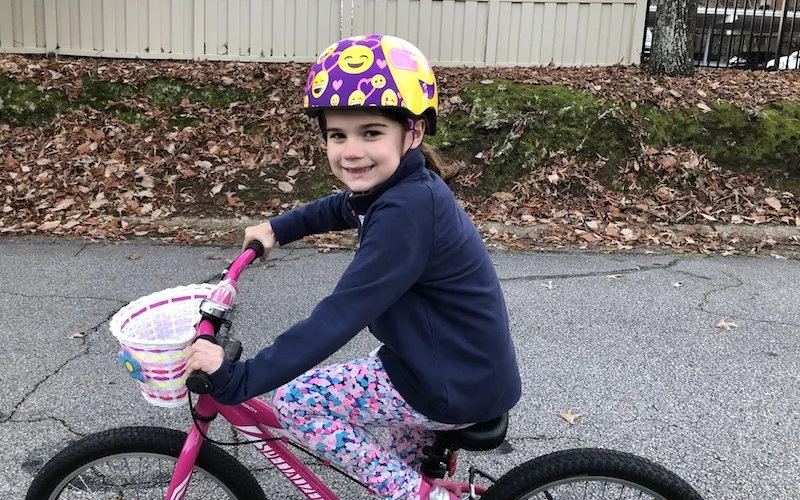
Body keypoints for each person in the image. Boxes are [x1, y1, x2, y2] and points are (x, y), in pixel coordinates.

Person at [186, 34, 522, 500]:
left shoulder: (406, 213)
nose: (351, 151)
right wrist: (278, 228)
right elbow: (345, 206)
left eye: (371, 132)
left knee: (296, 401)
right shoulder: (401, 186)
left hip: (445, 380)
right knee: (397, 468)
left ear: (413, 132)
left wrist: (241, 379)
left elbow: (341, 315)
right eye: (337, 135)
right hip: (450, 364)